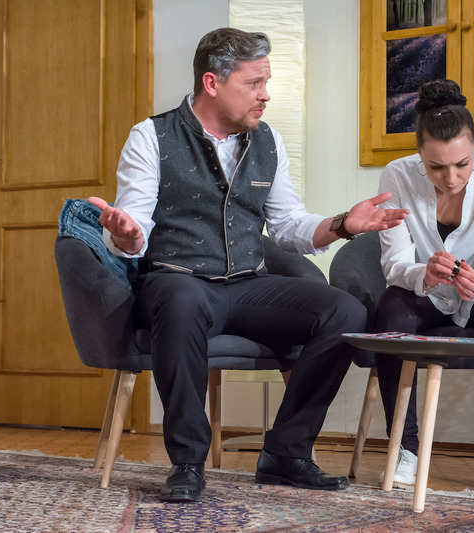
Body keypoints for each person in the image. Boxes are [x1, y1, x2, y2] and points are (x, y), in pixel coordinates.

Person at [88, 28, 408, 503]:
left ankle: (286, 453)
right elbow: (133, 225)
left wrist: (344, 224)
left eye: (266, 82)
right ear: (212, 82)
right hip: (177, 280)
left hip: (246, 285)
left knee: (345, 312)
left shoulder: (267, 140)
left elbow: (289, 226)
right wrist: (127, 235)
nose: (265, 95)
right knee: (180, 300)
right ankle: (188, 462)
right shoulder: (152, 136)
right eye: (254, 83)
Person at [375, 79, 474, 492]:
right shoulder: (396, 176)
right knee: (390, 310)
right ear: (419, 155)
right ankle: (404, 450)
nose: (451, 177)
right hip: (423, 293)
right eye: (436, 167)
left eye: (463, 163)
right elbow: (394, 264)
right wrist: (423, 275)